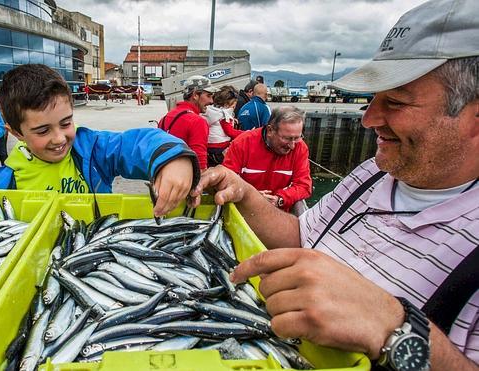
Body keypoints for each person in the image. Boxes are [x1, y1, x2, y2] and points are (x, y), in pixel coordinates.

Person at [189, 1, 478, 369]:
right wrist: (244, 193)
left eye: (396, 101)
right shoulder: (372, 173)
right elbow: (302, 235)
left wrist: (395, 328)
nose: (369, 119)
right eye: (373, 99)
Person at [0, 64, 197, 217]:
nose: (59, 138)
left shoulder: (90, 149)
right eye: (43, 130)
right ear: (16, 133)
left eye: (66, 123)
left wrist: (173, 158)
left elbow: (134, 143)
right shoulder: (0, 185)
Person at [222, 106, 311, 211]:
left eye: (297, 138)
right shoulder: (242, 143)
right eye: (287, 138)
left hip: (278, 212)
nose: (292, 146)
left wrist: (280, 199)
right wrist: (250, 196)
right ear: (270, 130)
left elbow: (304, 186)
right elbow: (225, 181)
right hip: (244, 209)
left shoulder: (300, 147)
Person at [158, 75, 219, 170]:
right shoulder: (197, 121)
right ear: (195, 95)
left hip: (164, 175)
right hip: (185, 178)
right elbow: (199, 162)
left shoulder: (166, 117)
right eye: (208, 95)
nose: (211, 101)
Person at [203, 85, 243, 167]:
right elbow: (230, 132)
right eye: (233, 106)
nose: (234, 109)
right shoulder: (224, 115)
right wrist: (246, 133)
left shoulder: (213, 111)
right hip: (219, 148)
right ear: (226, 105)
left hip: (210, 147)